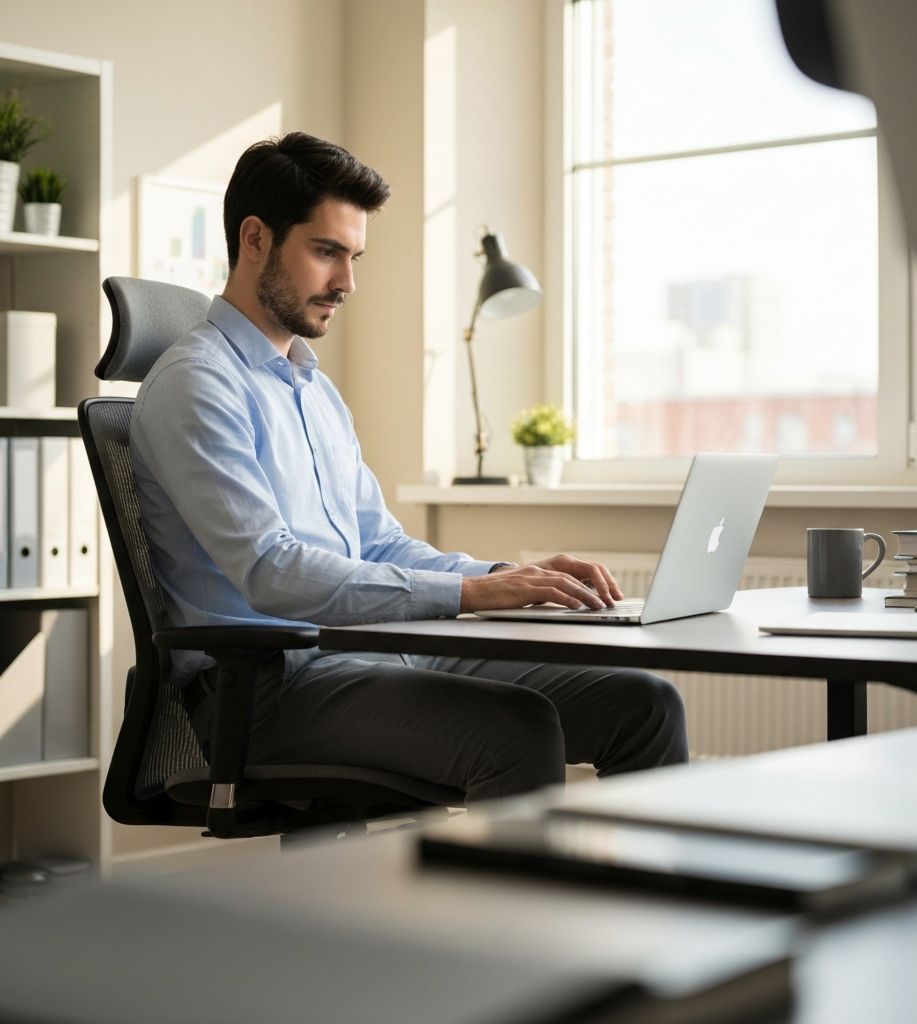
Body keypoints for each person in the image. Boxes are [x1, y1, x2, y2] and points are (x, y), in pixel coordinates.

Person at [130, 132, 687, 802]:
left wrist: (506, 577)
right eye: (327, 252)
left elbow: (380, 543)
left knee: (645, 704)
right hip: (270, 686)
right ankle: (518, 911)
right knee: (519, 730)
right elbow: (271, 572)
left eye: (354, 256)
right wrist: (470, 597)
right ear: (255, 240)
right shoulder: (197, 384)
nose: (347, 283)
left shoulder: (311, 387)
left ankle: (646, 907)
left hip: (372, 651)